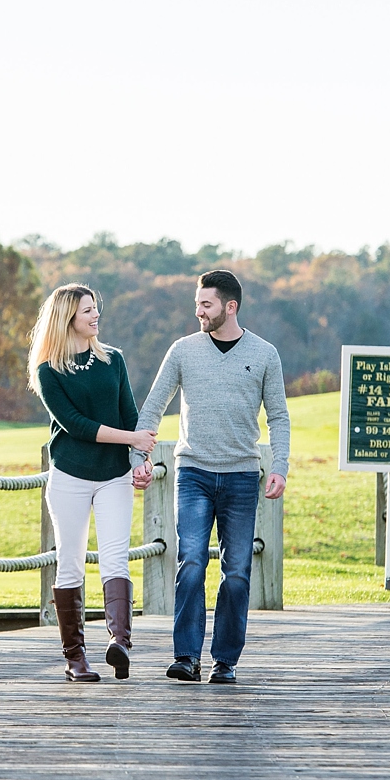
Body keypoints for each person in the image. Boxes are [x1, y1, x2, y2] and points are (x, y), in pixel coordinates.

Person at [132, 270, 289, 684]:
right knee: (192, 562)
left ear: (230, 307)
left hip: (240, 477)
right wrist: (139, 455)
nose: (198, 311)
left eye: (206, 305)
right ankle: (186, 656)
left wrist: (279, 467)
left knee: (237, 572)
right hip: (194, 473)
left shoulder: (265, 353)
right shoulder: (183, 351)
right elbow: (153, 407)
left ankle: (225, 660)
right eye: (197, 304)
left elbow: (279, 417)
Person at [29, 284, 157, 682]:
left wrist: (142, 459)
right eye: (87, 311)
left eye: (95, 308)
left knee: (116, 557)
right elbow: (76, 426)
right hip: (69, 476)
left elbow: (130, 416)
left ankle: (120, 640)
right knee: (70, 563)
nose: (96, 316)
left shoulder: (113, 360)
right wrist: (132, 439)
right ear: (68, 318)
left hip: (115, 477)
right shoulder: (48, 370)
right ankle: (75, 658)